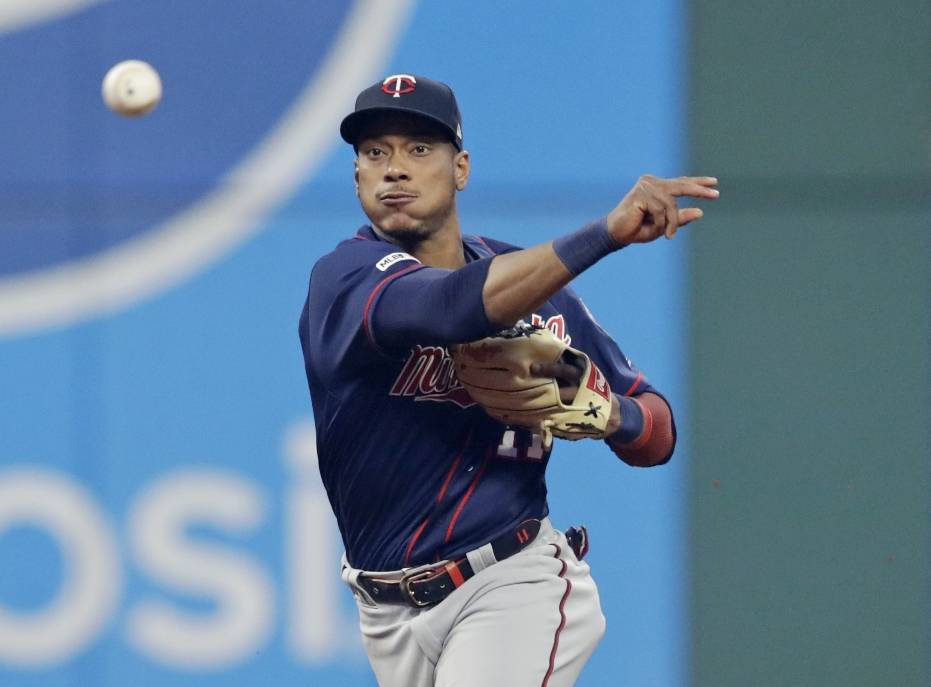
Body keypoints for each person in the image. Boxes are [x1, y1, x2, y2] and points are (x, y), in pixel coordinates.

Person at [298, 73, 718, 687]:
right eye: (374, 152)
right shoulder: (346, 279)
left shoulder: (536, 291)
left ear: (460, 168)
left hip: (512, 579)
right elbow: (449, 309)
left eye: (419, 149)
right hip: (387, 615)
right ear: (357, 175)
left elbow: (658, 433)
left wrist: (611, 414)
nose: (394, 168)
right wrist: (603, 233)